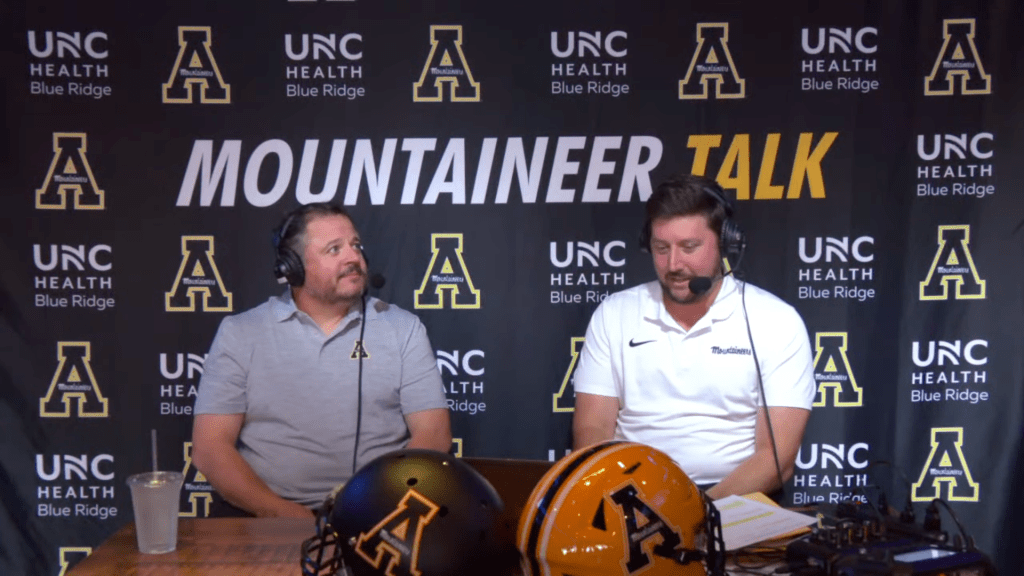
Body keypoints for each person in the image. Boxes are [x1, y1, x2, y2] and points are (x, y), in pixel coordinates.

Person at [191, 203, 451, 518]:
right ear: (292, 267)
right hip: (267, 518)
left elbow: (433, 435)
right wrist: (283, 514)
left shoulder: (403, 328)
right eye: (334, 249)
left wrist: (381, 507)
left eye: (356, 245)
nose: (353, 257)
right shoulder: (241, 333)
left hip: (379, 514)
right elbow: (210, 448)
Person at [572, 174, 815, 500]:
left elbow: (777, 459)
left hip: (737, 498)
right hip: (634, 498)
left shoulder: (776, 320)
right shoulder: (615, 313)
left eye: (689, 247)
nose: (674, 264)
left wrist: (694, 513)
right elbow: (593, 430)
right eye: (661, 248)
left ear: (726, 244)